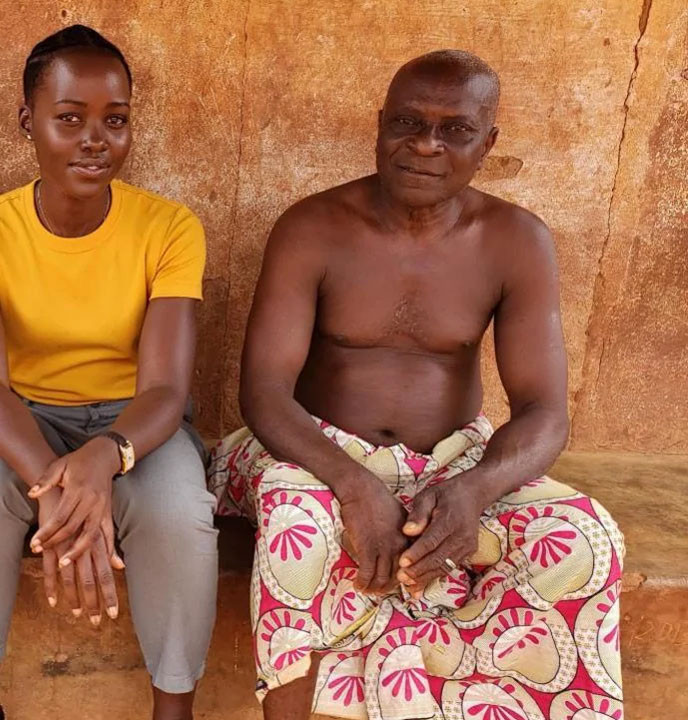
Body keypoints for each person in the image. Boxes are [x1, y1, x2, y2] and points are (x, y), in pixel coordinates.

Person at [210, 50, 624, 720]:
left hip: (452, 461)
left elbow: (545, 411)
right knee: (298, 526)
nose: (425, 145)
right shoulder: (312, 228)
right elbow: (263, 393)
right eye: (406, 122)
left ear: (487, 143)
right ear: (379, 125)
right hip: (310, 451)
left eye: (454, 129)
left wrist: (473, 490)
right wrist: (352, 483)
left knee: (585, 536)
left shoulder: (516, 241)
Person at [0, 24, 218, 720]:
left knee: (179, 513)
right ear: (27, 121)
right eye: (69, 119)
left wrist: (104, 457)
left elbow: (164, 389)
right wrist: (53, 487)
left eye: (114, 120)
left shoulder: (170, 229)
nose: (96, 139)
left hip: (134, 425)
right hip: (20, 419)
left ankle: (173, 707)